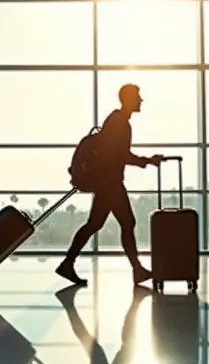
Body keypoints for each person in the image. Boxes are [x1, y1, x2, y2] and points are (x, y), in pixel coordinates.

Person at [57, 83, 162, 287]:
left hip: (107, 182)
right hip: (110, 183)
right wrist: (147, 161)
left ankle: (68, 263)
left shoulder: (117, 120)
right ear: (128, 99)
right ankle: (137, 269)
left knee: (95, 224)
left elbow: (115, 153)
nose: (141, 100)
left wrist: (145, 161)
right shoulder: (119, 122)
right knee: (126, 222)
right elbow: (119, 155)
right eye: (138, 97)